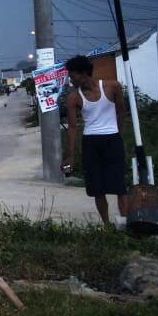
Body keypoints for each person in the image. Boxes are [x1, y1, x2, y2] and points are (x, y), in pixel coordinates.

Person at [63, 55, 128, 225]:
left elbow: (121, 112)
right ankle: (107, 226)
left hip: (112, 140)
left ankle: (127, 225)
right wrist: (70, 155)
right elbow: (72, 127)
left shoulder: (112, 86)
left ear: (84, 73)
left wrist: (118, 135)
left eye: (73, 75)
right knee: (97, 188)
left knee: (120, 187)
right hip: (91, 143)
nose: (71, 79)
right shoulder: (73, 98)